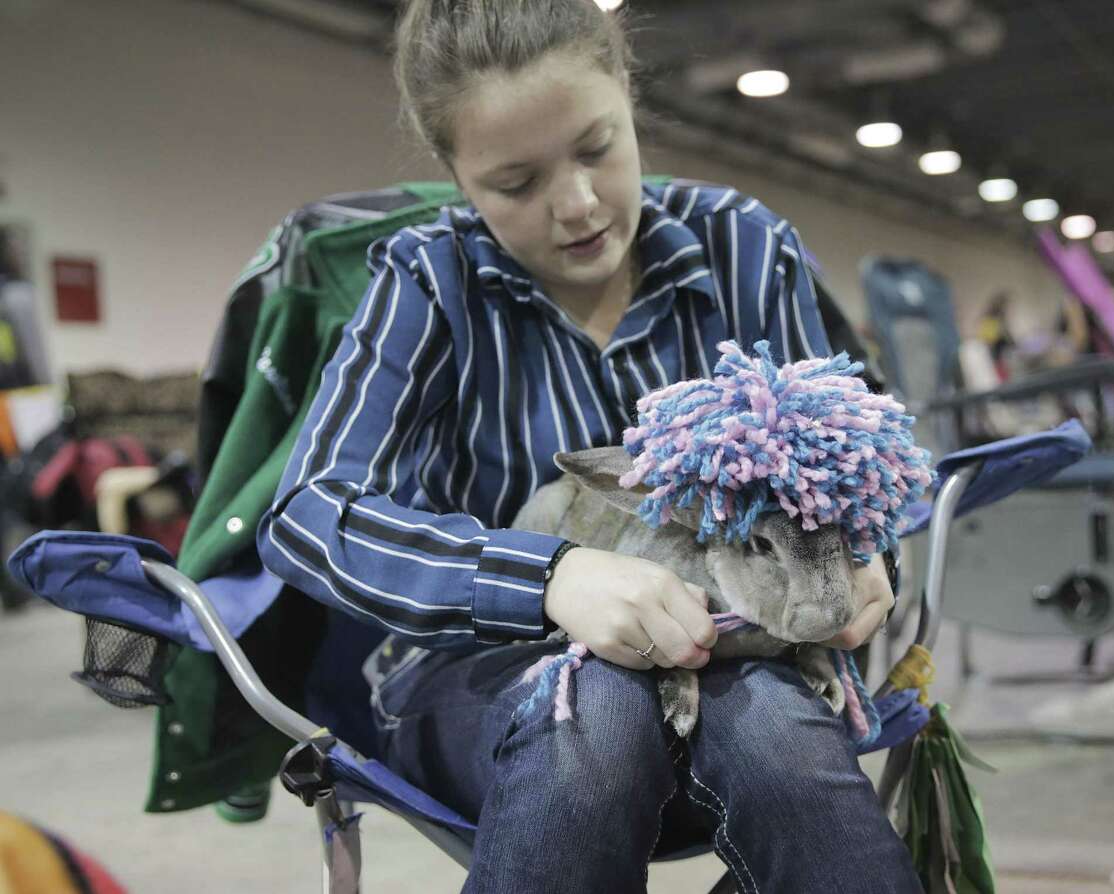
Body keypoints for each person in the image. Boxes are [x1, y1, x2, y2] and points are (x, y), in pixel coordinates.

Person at [257, 1, 919, 890]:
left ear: (629, 98)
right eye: (516, 184)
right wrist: (548, 578)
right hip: (478, 677)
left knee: (769, 728)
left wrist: (865, 553)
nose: (576, 206)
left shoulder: (747, 250)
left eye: (598, 148)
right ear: (457, 175)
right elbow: (308, 515)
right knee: (596, 711)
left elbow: (873, 461)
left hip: (738, 652)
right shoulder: (429, 280)